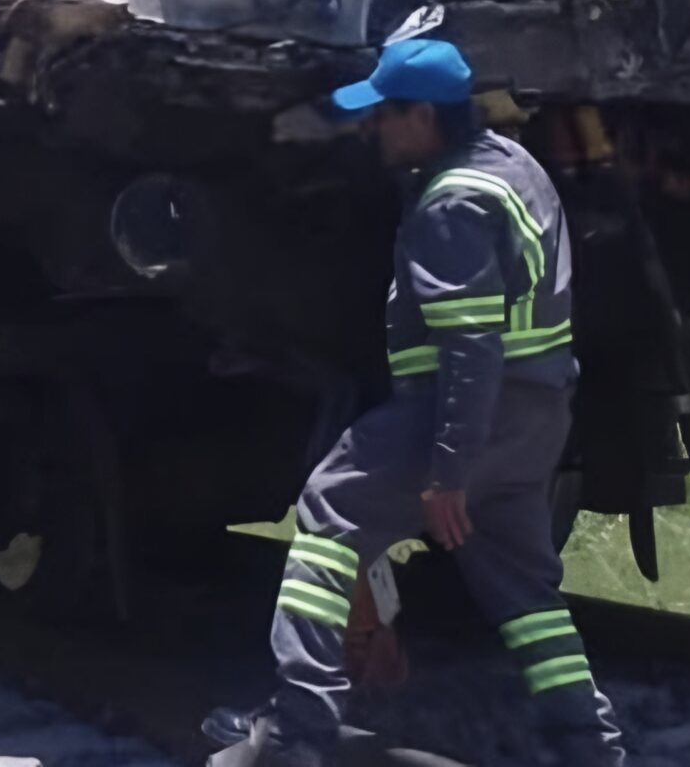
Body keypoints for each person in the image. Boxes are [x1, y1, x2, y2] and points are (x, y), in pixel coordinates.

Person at [205, 37, 627, 767]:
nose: (375, 130)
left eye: (385, 117)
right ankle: (592, 750)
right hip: (536, 420)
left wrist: (447, 469)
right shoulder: (517, 170)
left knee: (328, 515)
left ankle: (295, 736)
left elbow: (471, 345)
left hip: (464, 413)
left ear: (425, 118)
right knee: (527, 595)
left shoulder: (452, 205)